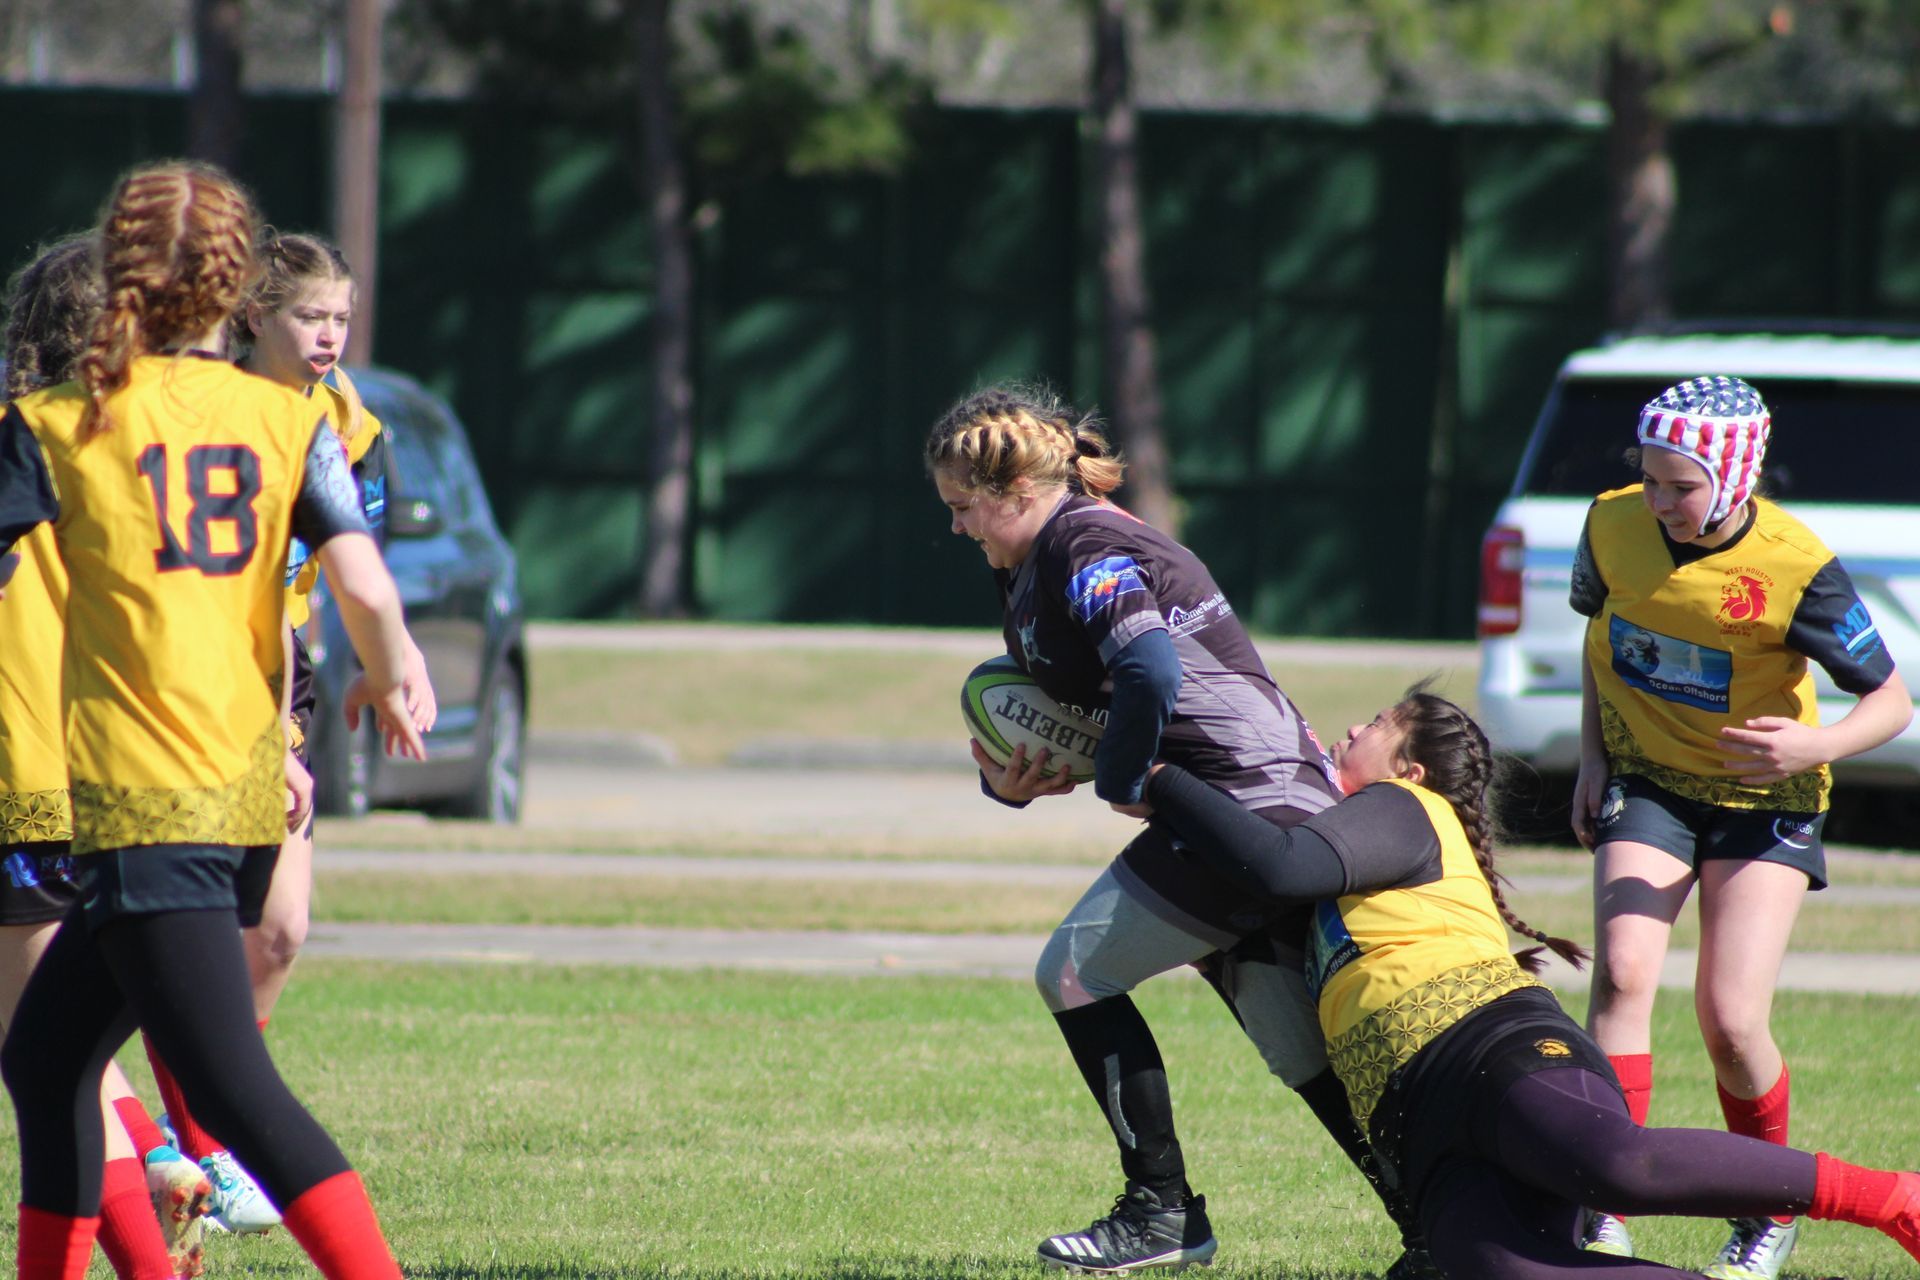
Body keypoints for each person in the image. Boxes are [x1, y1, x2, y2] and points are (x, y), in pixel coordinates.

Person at [0, 159, 424, 1280]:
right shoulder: (289, 418)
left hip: (148, 801)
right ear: (238, 287)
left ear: (123, 274)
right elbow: (365, 586)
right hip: (239, 793)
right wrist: (390, 675)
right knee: (46, 1061)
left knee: (234, 1090)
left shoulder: (60, 420)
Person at [1135, 687, 1920, 1279]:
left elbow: (1277, 864)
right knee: (1504, 1269)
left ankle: (1892, 1198)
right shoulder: (1342, 857)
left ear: (1410, 768)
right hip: (1419, 1122)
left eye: (1375, 724)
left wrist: (1161, 777)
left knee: (1618, 1166)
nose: (1350, 730)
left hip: (1490, 1049)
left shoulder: (1404, 805)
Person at [926, 385, 1435, 1279]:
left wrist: (1126, 780)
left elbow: (1150, 669)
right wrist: (1013, 781)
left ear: (1017, 491)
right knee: (1301, 1049)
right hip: (1252, 801)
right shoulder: (1037, 552)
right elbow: (1084, 704)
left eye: (964, 506)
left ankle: (1159, 1210)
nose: (957, 526)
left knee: (1074, 974)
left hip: (1248, 803)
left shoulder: (1085, 544)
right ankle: (1441, 1226)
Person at [1568, 375, 1912, 1277]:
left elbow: (1891, 701)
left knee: (1728, 1019)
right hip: (1650, 781)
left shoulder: (1797, 566)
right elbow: (1601, 641)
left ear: (1733, 476)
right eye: (1649, 478)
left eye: (1680, 486)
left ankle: (1768, 1211)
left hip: (1767, 803)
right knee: (1624, 974)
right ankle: (1605, 1205)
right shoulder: (1608, 524)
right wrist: (1595, 758)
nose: (1659, 501)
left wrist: (1815, 744)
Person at [133, 228, 436, 1237]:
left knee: (278, 931)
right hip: (204, 673)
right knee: (181, 934)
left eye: (342, 316)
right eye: (310, 315)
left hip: (285, 670)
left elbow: (356, 569)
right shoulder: (207, 412)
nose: (329, 334)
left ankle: (196, 1125)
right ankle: (204, 1145)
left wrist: (389, 665)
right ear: (254, 315)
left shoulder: (348, 423)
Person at [1, 233, 219, 1278]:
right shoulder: (149, 458)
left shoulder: (21, 442)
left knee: (43, 1053)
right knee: (56, 1038)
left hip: (21, 771)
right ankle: (157, 1159)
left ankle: (146, 1219)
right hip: (119, 777)